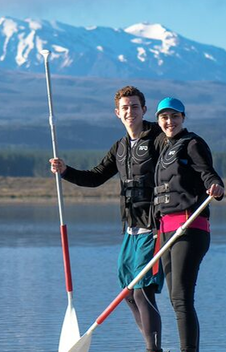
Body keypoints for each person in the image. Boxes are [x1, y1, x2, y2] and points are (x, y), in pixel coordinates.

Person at [49, 85, 166, 352]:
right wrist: (66, 171)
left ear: (144, 110)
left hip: (155, 227)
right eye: (125, 108)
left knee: (141, 290)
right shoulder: (121, 147)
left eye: (135, 107)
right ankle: (152, 346)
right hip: (130, 229)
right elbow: (95, 177)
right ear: (117, 113)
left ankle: (153, 350)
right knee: (128, 292)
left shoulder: (158, 138)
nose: (130, 112)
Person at [151, 97, 224, 352]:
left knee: (182, 298)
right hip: (167, 231)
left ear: (183, 118)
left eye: (174, 117)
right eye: (164, 117)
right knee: (174, 298)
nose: (169, 122)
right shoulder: (162, 147)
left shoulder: (192, 143)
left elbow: (207, 172)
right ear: (158, 120)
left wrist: (216, 186)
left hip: (189, 228)